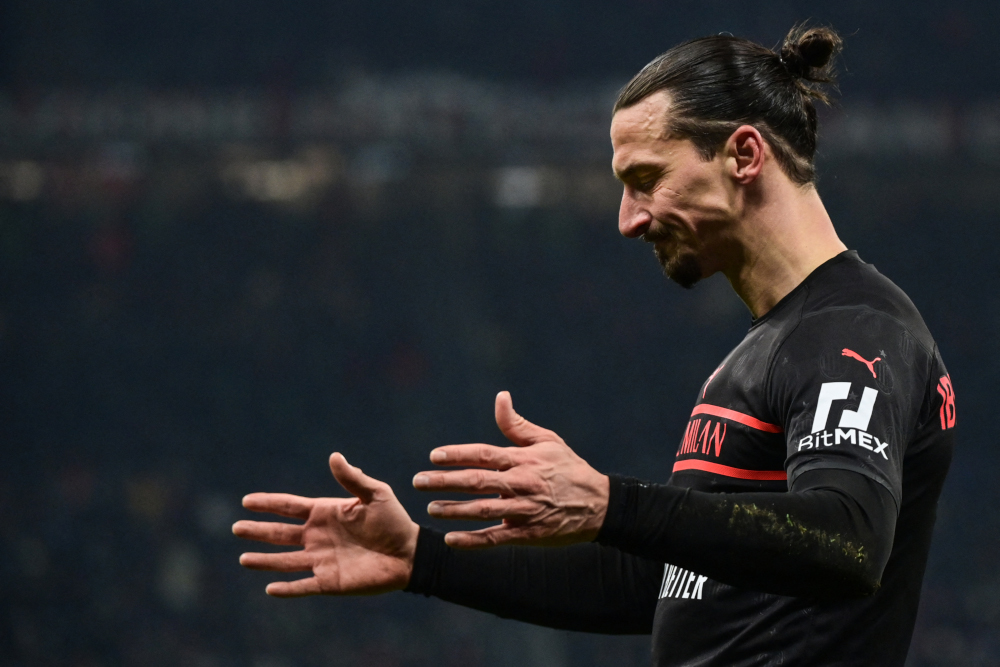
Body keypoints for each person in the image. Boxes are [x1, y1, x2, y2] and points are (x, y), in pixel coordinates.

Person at [234, 24, 956, 666]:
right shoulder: (773, 345)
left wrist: (612, 502)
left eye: (646, 180)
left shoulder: (854, 331)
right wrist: (424, 558)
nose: (627, 220)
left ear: (742, 154)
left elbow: (849, 539)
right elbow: (658, 579)